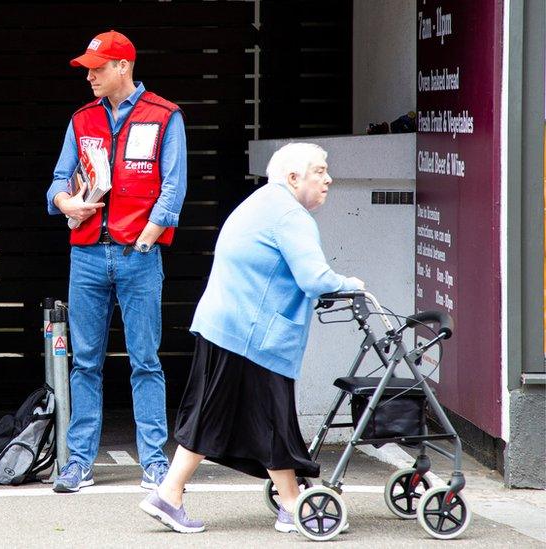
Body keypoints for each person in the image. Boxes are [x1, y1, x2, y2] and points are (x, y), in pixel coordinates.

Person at [138, 143, 365, 533]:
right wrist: (352, 284)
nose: (328, 179)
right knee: (270, 417)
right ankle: (293, 505)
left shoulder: (261, 202)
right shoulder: (291, 216)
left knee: (215, 413)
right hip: (254, 333)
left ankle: (170, 493)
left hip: (225, 323)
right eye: (320, 171)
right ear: (294, 178)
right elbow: (314, 278)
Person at [46, 30, 187, 493]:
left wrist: (148, 236)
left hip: (137, 253)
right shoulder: (82, 118)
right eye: (88, 67)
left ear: (124, 66)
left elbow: (174, 184)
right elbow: (59, 180)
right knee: (84, 362)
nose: (90, 75)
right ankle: (79, 461)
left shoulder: (165, 115)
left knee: (145, 360)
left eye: (98, 67)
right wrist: (66, 204)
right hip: (85, 253)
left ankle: (154, 461)